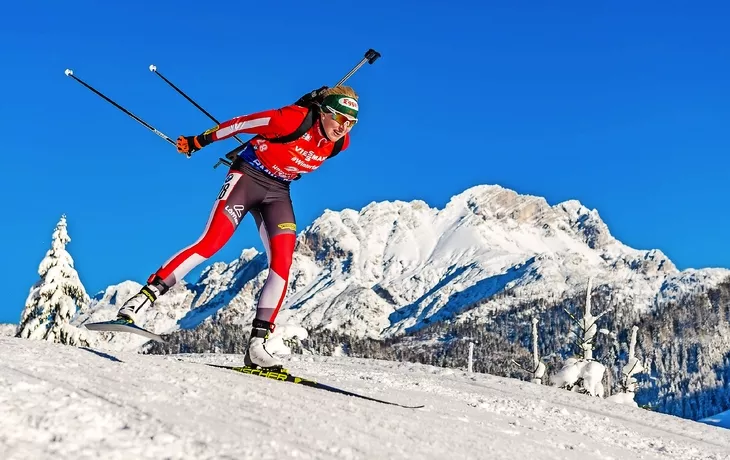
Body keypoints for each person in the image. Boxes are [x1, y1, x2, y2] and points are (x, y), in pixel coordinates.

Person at [114, 86, 360, 369]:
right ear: (323, 113)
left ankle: (257, 346)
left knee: (282, 263)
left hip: (278, 192)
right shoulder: (292, 119)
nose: (344, 128)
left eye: (351, 123)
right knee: (211, 242)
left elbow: (298, 155)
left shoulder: (340, 144)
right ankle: (137, 303)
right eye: (340, 119)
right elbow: (241, 124)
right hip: (247, 179)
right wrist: (198, 141)